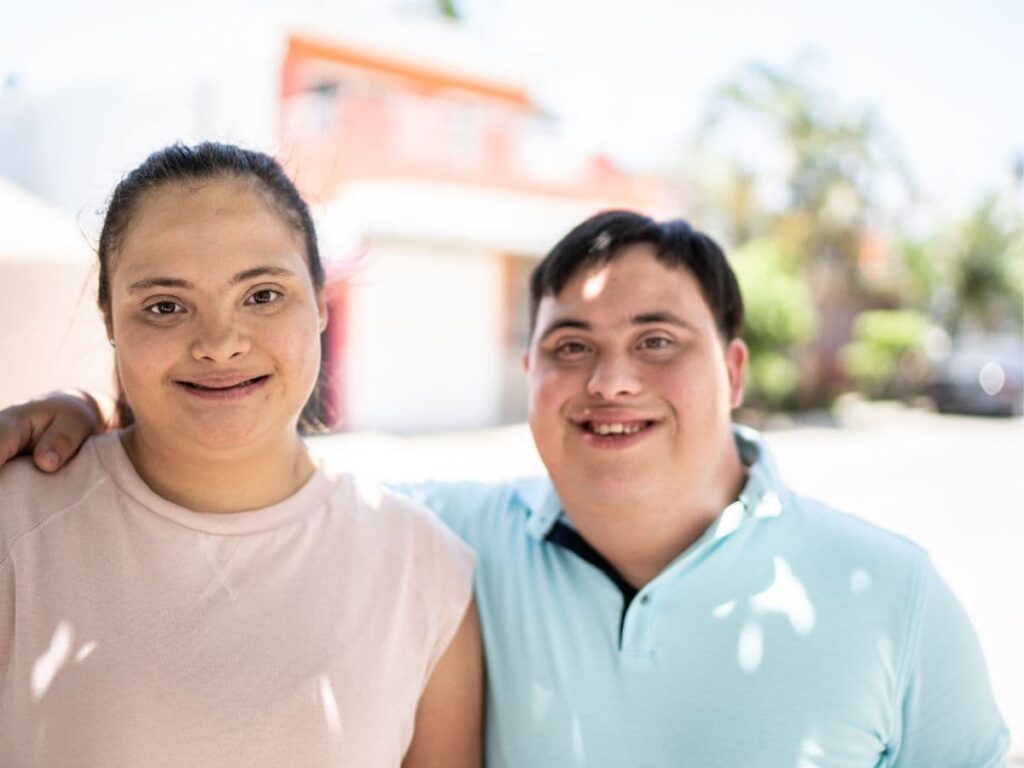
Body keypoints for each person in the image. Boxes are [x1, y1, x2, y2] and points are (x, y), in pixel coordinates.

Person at [1, 210, 1009, 766]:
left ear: (735, 372)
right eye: (570, 347)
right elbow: (251, 483)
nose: (611, 380)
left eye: (656, 342)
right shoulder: (444, 539)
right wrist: (91, 423)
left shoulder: (893, 595)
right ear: (528, 376)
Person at [0, 143, 482, 767]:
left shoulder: (426, 567)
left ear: (319, 305)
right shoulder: (17, 525)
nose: (220, 343)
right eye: (165, 306)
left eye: (261, 295)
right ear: (110, 321)